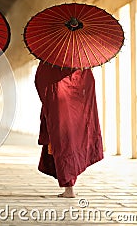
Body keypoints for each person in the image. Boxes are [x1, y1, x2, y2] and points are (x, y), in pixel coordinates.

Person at [34, 62, 104, 198]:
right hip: (78, 110)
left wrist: (48, 101)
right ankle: (69, 185)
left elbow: (40, 81)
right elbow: (90, 85)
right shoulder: (82, 62)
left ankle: (69, 188)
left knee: (63, 142)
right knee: (73, 141)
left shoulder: (50, 60)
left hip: (58, 107)